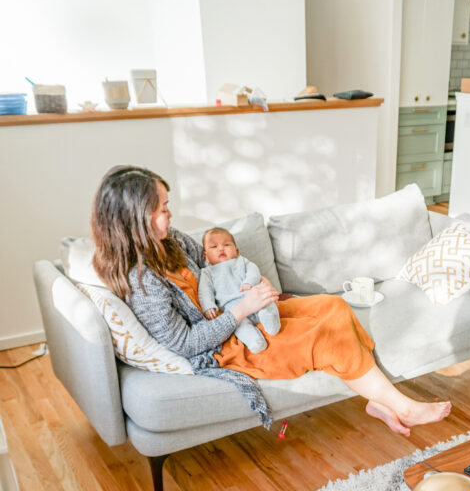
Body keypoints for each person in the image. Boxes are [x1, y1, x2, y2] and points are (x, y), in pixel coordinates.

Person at [91, 165, 451, 436]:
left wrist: (249, 282)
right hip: (226, 345)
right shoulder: (142, 282)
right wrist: (240, 311)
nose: (170, 214)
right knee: (324, 337)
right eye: (162, 209)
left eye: (167, 205)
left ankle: (377, 398)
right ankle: (401, 405)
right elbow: (184, 344)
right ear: (136, 218)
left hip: (244, 311)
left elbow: (213, 266)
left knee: (332, 305)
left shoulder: (169, 242)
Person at [198, 226, 281, 354]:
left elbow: (254, 271)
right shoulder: (207, 272)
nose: (221, 248)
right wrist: (208, 306)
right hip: (233, 308)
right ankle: (254, 341)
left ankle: (271, 322)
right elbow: (204, 290)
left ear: (236, 251)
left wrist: (249, 282)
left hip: (254, 297)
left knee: (267, 302)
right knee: (238, 326)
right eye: (214, 247)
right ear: (206, 257)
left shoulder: (242, 261)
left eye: (226, 245)